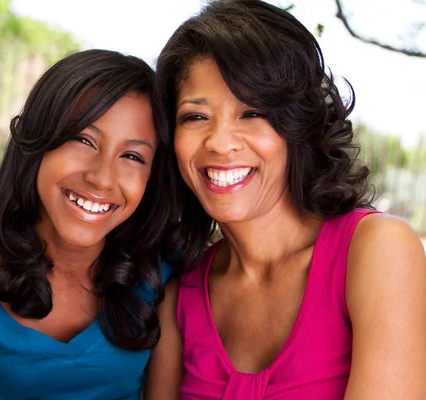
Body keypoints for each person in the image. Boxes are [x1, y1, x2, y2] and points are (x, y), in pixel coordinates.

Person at [145, 1, 426, 399]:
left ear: (298, 126)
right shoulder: (179, 299)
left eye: (252, 113)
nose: (221, 143)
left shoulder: (377, 251)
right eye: (195, 117)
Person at [0, 49, 179, 399]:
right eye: (83, 139)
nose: (102, 178)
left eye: (132, 156)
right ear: (39, 139)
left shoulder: (162, 275)